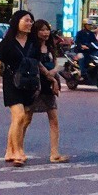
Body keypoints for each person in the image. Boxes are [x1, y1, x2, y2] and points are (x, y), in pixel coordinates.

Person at [0, 11, 37, 167]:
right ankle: (18, 151)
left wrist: (51, 78)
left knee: (21, 119)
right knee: (19, 116)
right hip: (12, 84)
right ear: (17, 22)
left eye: (31, 21)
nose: (30, 24)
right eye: (27, 20)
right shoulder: (7, 43)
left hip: (28, 84)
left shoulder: (32, 42)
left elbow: (38, 64)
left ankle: (10, 151)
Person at [25, 19, 70, 164]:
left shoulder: (50, 46)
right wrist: (50, 77)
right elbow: (36, 64)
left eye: (47, 29)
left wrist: (55, 74)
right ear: (36, 31)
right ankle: (15, 149)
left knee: (54, 119)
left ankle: (54, 153)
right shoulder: (32, 46)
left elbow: (57, 64)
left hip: (49, 87)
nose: (45, 33)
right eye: (42, 30)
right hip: (36, 86)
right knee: (26, 119)